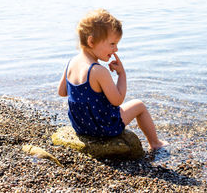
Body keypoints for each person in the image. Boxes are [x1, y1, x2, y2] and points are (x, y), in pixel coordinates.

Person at [57, 8, 168, 150]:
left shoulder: (71, 62)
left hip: (80, 126)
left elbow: (62, 92)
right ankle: (155, 143)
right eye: (112, 44)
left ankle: (155, 143)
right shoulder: (98, 71)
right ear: (91, 41)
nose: (116, 49)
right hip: (104, 128)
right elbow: (117, 100)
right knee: (139, 105)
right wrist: (122, 74)